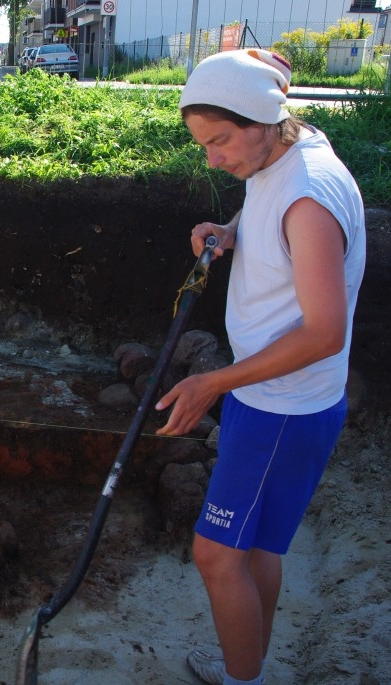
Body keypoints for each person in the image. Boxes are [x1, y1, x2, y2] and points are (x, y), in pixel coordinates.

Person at [155, 49, 366, 685]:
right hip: (287, 400)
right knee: (256, 549)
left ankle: (241, 678)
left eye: (220, 140)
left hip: (281, 408)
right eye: (203, 144)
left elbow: (326, 332)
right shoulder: (284, 154)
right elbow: (268, 215)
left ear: (264, 116)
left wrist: (212, 381)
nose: (213, 158)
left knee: (216, 555)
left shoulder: (309, 198)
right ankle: (248, 664)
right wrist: (230, 231)